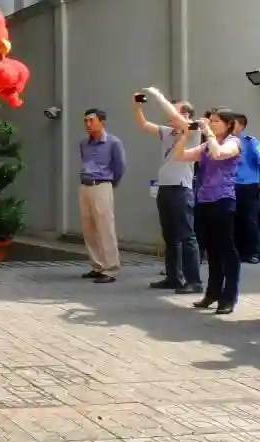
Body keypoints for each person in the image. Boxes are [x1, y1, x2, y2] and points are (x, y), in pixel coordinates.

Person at [171, 105, 242, 314]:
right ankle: (212, 293)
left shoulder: (233, 142)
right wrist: (185, 134)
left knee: (226, 250)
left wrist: (208, 132)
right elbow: (180, 156)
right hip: (204, 200)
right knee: (211, 250)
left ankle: (228, 297)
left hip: (223, 200)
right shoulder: (205, 146)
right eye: (209, 121)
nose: (211, 124)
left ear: (228, 124)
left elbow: (219, 154)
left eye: (216, 121)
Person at [133, 93, 202, 293]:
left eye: (174, 112)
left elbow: (182, 122)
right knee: (170, 237)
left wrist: (158, 96)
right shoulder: (168, 132)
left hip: (181, 189)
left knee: (187, 236)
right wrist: (137, 106)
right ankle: (174, 277)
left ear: (186, 115)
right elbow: (143, 124)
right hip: (165, 188)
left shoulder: (193, 130)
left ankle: (194, 281)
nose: (168, 117)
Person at [79, 108, 126, 283]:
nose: (88, 124)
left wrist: (111, 183)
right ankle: (97, 265)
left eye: (91, 120)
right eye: (85, 121)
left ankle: (111, 268)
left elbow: (119, 166)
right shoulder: (84, 143)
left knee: (105, 227)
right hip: (85, 185)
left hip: (102, 185)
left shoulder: (113, 143)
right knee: (88, 228)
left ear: (102, 121)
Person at [232, 114, 260, 264]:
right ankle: (238, 251)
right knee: (234, 219)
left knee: (250, 220)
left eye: (233, 124)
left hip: (249, 185)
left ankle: (254, 252)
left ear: (241, 126)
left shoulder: (250, 141)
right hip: (230, 185)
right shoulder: (224, 142)